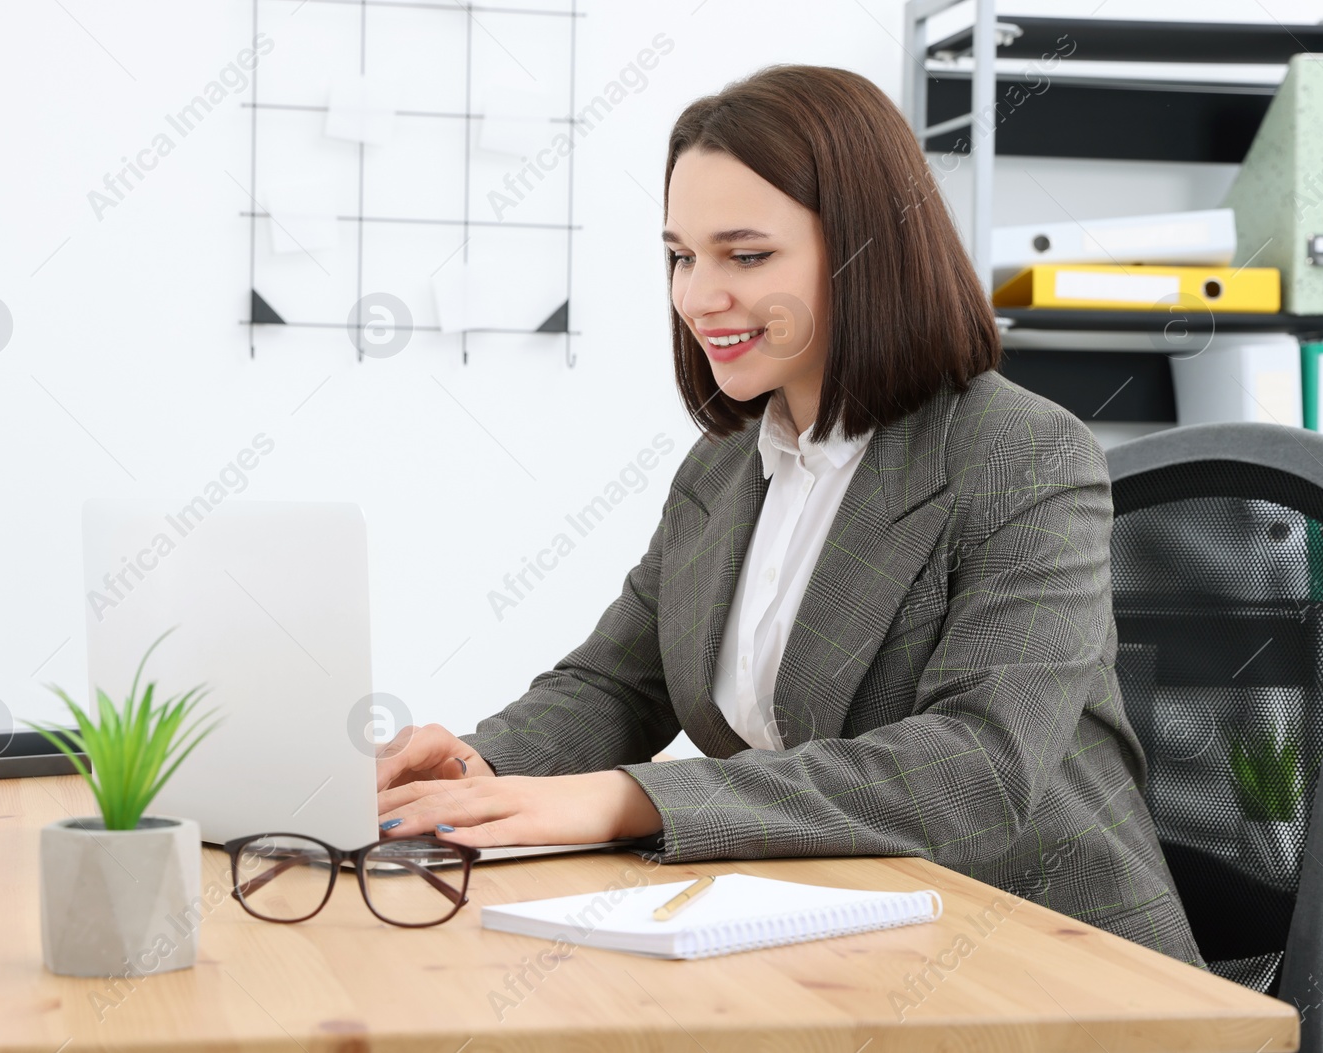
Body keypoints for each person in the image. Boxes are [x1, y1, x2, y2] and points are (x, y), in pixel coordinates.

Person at [375, 64, 1200, 965]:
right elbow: (618, 684)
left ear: (866, 250)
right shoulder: (724, 468)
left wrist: (632, 798)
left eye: (746, 254)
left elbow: (979, 770)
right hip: (823, 929)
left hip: (1040, 957)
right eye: (683, 255)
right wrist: (476, 769)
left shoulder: (1023, 456)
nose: (695, 295)